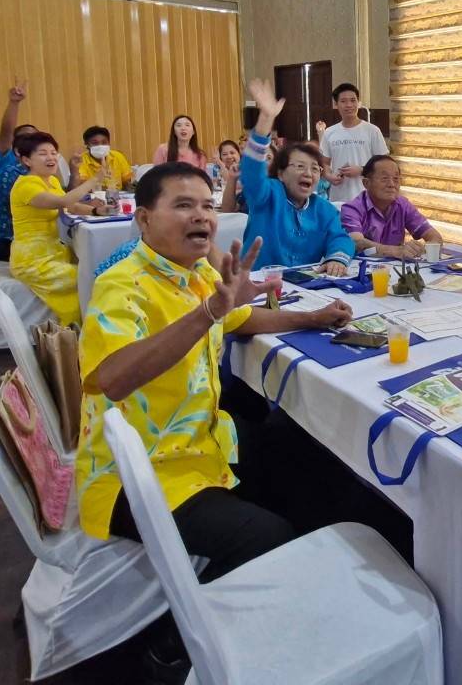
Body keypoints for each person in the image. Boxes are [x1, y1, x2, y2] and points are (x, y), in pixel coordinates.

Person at [75, 163, 408, 679]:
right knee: (266, 534)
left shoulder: (197, 273)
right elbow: (114, 377)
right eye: (183, 205)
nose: (202, 217)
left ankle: (317, 592)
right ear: (142, 218)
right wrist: (207, 312)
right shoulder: (122, 285)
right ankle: (175, 647)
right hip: (134, 476)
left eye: (208, 205)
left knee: (311, 457)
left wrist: (311, 318)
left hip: (200, 447)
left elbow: (241, 318)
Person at [241, 79, 355, 272]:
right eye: (300, 166)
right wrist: (265, 120)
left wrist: (336, 259)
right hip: (257, 287)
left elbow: (341, 238)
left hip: (303, 288)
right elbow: (252, 172)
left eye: (315, 168)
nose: (308, 173)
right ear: (281, 173)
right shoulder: (268, 195)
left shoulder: (324, 210)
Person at [9, 131, 107, 326]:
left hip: (53, 251)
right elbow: (62, 201)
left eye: (54, 152)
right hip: (32, 260)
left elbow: (70, 206)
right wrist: (95, 180)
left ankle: (90, 325)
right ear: (27, 160)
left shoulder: (51, 181)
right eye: (43, 153)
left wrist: (96, 211)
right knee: (89, 278)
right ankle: (85, 327)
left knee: (97, 267)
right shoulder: (26, 186)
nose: (51, 157)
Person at [341, 155, 443, 259]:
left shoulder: (403, 205)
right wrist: (395, 251)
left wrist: (422, 250)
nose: (391, 184)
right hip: (364, 271)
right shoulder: (352, 209)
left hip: (396, 271)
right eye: (384, 179)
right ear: (366, 183)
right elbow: (356, 242)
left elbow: (435, 237)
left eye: (396, 179)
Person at [0, 78, 39, 261]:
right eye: (26, 139)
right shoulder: (2, 158)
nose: (32, 143)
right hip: (5, 240)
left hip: (33, 235)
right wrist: (14, 103)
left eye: (36, 139)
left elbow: (60, 194)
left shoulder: (38, 165)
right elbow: (6, 131)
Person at [318, 83, 389, 205]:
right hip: (338, 198)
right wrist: (329, 176)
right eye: (343, 101)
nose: (349, 105)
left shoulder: (372, 130)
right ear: (336, 105)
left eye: (353, 100)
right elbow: (323, 163)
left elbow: (385, 164)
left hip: (367, 198)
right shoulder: (329, 132)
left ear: (359, 102)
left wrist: (362, 170)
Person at [73, 126, 133, 191]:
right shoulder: (81, 160)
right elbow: (82, 185)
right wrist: (108, 190)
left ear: (109, 143)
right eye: (95, 143)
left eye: (104, 142)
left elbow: (127, 181)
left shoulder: (118, 156)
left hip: (118, 196)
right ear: (86, 145)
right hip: (93, 198)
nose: (100, 146)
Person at [216, 140, 246, 214]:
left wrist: (220, 164)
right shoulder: (218, 170)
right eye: (224, 154)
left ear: (239, 154)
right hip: (227, 205)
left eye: (232, 153)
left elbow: (233, 182)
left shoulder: (245, 169)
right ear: (221, 157)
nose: (229, 156)